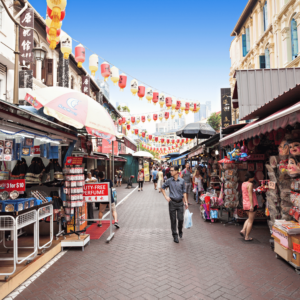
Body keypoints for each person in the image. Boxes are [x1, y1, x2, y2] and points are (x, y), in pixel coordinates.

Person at [161, 166, 188, 243]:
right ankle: (175, 236)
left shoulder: (182, 181)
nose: (170, 172)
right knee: (173, 220)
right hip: (172, 203)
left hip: (180, 203)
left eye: (172, 170)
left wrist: (185, 201)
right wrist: (166, 197)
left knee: (180, 219)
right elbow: (162, 188)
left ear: (177, 171)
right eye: (170, 170)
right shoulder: (169, 181)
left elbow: (184, 192)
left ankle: (180, 230)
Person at [240, 171, 258, 241]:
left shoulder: (243, 184)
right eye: (253, 177)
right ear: (250, 177)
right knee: (251, 221)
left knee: (249, 218)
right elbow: (250, 195)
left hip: (245, 203)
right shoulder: (250, 184)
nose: (254, 178)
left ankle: (243, 230)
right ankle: (247, 236)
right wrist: (252, 205)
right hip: (251, 204)